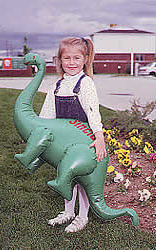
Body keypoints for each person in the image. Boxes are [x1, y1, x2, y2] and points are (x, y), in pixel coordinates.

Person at [39, 37, 106, 233]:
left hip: (82, 142)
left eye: (76, 58)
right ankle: (68, 211)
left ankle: (82, 216)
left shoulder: (85, 84)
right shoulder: (56, 86)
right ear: (60, 60)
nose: (71, 63)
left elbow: (93, 112)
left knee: (82, 179)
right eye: (66, 58)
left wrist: (99, 137)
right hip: (63, 144)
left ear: (85, 59)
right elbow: (46, 116)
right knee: (65, 177)